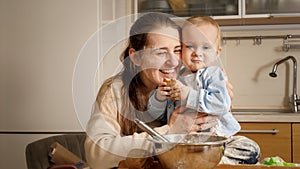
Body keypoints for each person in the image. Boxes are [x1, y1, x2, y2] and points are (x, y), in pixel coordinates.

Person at [85, 13, 260, 169]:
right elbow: (97, 156)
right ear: (136, 56)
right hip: (165, 158)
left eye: (177, 50)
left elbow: (217, 107)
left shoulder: (191, 79)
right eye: (161, 52)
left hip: (192, 151)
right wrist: (171, 131)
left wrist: (215, 101)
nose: (173, 62)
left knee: (248, 149)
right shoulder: (115, 90)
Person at [147, 16, 240, 137]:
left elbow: (222, 105)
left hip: (215, 136)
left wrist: (187, 95)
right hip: (181, 137)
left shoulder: (214, 74)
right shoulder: (175, 76)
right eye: (190, 46)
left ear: (217, 53)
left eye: (206, 47)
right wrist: (159, 98)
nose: (197, 53)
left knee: (247, 148)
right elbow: (156, 115)